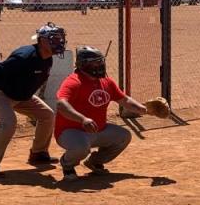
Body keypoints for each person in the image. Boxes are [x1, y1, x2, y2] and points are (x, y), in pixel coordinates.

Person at [53, 46, 162, 180]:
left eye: (101, 61)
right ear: (83, 64)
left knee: (123, 136)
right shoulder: (73, 81)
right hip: (71, 132)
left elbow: (124, 100)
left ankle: (94, 161)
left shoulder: (106, 82)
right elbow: (61, 104)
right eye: (95, 62)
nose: (99, 65)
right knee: (81, 147)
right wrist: (83, 119)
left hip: (98, 130)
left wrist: (144, 109)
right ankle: (67, 164)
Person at [0, 23, 66, 179]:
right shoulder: (24, 56)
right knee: (8, 124)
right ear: (42, 41)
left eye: (59, 39)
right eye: (54, 39)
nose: (59, 42)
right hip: (1, 95)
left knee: (47, 115)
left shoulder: (47, 59)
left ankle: (38, 153)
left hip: (22, 97)